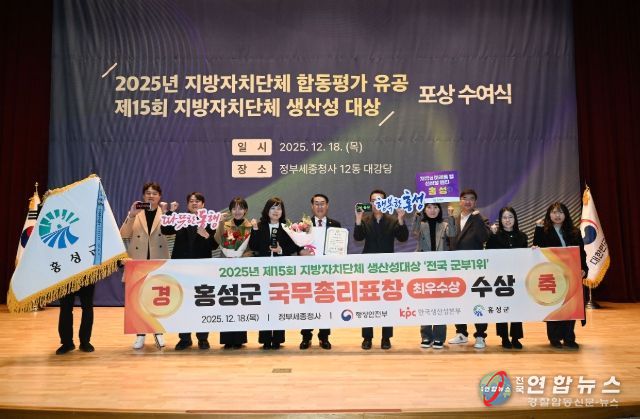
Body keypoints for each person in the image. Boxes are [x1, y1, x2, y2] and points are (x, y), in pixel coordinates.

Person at [249, 197, 309, 349]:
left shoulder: (286, 228)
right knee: (264, 305)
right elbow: (253, 246)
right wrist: (254, 230)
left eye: (279, 208)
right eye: (273, 208)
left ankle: (277, 338)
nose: (276, 211)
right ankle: (265, 339)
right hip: (263, 271)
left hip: (280, 271)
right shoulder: (259, 226)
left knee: (278, 305)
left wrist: (281, 250)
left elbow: (293, 248)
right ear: (267, 210)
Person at [161, 192, 218, 350]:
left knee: (202, 302)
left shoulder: (210, 220)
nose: (194, 203)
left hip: (202, 269)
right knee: (183, 304)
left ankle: (203, 338)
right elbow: (165, 230)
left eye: (197, 201)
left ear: (203, 204)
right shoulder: (180, 219)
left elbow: (214, 245)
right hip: (182, 269)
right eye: (191, 201)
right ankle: (184, 339)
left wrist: (206, 235)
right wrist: (170, 212)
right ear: (187, 204)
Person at [354, 189, 408, 350]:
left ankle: (386, 337)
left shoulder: (392, 220)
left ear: (386, 202)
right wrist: (358, 218)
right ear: (369, 203)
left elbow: (403, 238)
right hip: (368, 268)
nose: (376, 203)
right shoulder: (365, 220)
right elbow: (358, 237)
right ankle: (367, 338)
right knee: (368, 304)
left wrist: (401, 219)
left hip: (387, 269)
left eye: (380, 200)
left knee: (387, 303)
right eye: (373, 200)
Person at [120, 182, 170, 350]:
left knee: (158, 299)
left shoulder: (165, 213)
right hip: (138, 262)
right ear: (143, 196)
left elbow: (172, 232)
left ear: (160, 196)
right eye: (148, 193)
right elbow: (124, 234)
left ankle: (158, 332)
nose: (151, 196)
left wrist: (169, 214)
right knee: (138, 300)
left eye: (154, 193)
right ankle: (140, 334)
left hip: (158, 262)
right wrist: (131, 215)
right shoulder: (137, 213)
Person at [533, 202, 588, 350]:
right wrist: (538, 229)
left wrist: (583, 269)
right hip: (553, 275)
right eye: (554, 212)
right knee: (555, 306)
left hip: (572, 274)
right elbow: (538, 248)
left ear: (566, 214)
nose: (557, 215)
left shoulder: (574, 232)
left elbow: (581, 253)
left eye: (560, 212)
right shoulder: (543, 231)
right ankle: (554, 338)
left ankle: (569, 338)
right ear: (549, 215)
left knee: (571, 306)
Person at [447, 188, 491, 349]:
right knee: (459, 300)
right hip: (457, 268)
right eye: (464, 198)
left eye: (471, 198)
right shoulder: (453, 219)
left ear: (475, 202)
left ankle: (480, 335)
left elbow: (484, 237)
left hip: (475, 268)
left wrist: (477, 218)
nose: (467, 201)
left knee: (478, 301)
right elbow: (449, 241)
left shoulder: (481, 219)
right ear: (460, 201)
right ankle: (461, 333)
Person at [299, 193, 342, 351]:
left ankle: (324, 337)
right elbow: (297, 246)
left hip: (327, 272)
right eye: (316, 203)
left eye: (322, 203)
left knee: (325, 304)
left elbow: (340, 246)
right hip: (308, 272)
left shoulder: (335, 224)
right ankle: (306, 337)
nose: (319, 206)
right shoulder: (303, 225)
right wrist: (300, 252)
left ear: (327, 206)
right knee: (308, 305)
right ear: (312, 206)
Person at [413, 203, 456, 350]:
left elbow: (452, 234)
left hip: (441, 269)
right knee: (425, 304)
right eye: (429, 207)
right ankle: (426, 336)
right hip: (425, 268)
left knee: (440, 304)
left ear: (440, 209)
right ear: (424, 209)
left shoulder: (444, 224)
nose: (432, 210)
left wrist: (451, 216)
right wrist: (417, 214)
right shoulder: (421, 224)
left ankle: (439, 337)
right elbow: (414, 231)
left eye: (436, 207)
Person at [486, 206, 528, 349]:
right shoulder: (494, 235)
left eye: (510, 217)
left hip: (518, 278)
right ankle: (504, 337)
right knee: (503, 307)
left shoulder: (522, 236)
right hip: (500, 278)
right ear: (500, 220)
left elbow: (525, 256)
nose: (507, 220)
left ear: (515, 219)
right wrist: (491, 235)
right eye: (504, 217)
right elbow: (489, 254)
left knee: (517, 308)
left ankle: (516, 337)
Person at [214, 197, 253, 349]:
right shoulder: (225, 224)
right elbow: (217, 240)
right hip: (225, 268)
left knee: (240, 303)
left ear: (245, 210)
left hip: (242, 269)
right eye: (234, 208)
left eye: (240, 208)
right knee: (226, 301)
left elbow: (252, 248)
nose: (237, 211)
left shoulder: (250, 226)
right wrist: (219, 223)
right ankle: (226, 339)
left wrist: (243, 256)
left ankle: (239, 339)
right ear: (230, 210)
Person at [56, 284, 95, 355]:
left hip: (86, 278)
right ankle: (67, 343)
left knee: (87, 307)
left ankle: (85, 342)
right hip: (65, 279)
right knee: (65, 308)